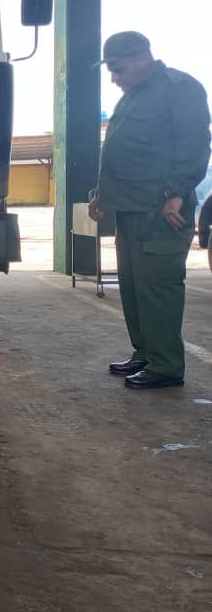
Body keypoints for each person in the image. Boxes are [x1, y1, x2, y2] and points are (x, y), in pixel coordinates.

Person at [89, 31, 211, 388]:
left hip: (161, 210)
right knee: (133, 285)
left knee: (158, 286)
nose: (114, 78)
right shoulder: (132, 97)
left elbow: (194, 144)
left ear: (142, 58)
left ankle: (166, 365)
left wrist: (176, 192)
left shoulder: (180, 89)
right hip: (129, 208)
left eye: (118, 69)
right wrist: (101, 194)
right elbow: (119, 152)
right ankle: (145, 353)